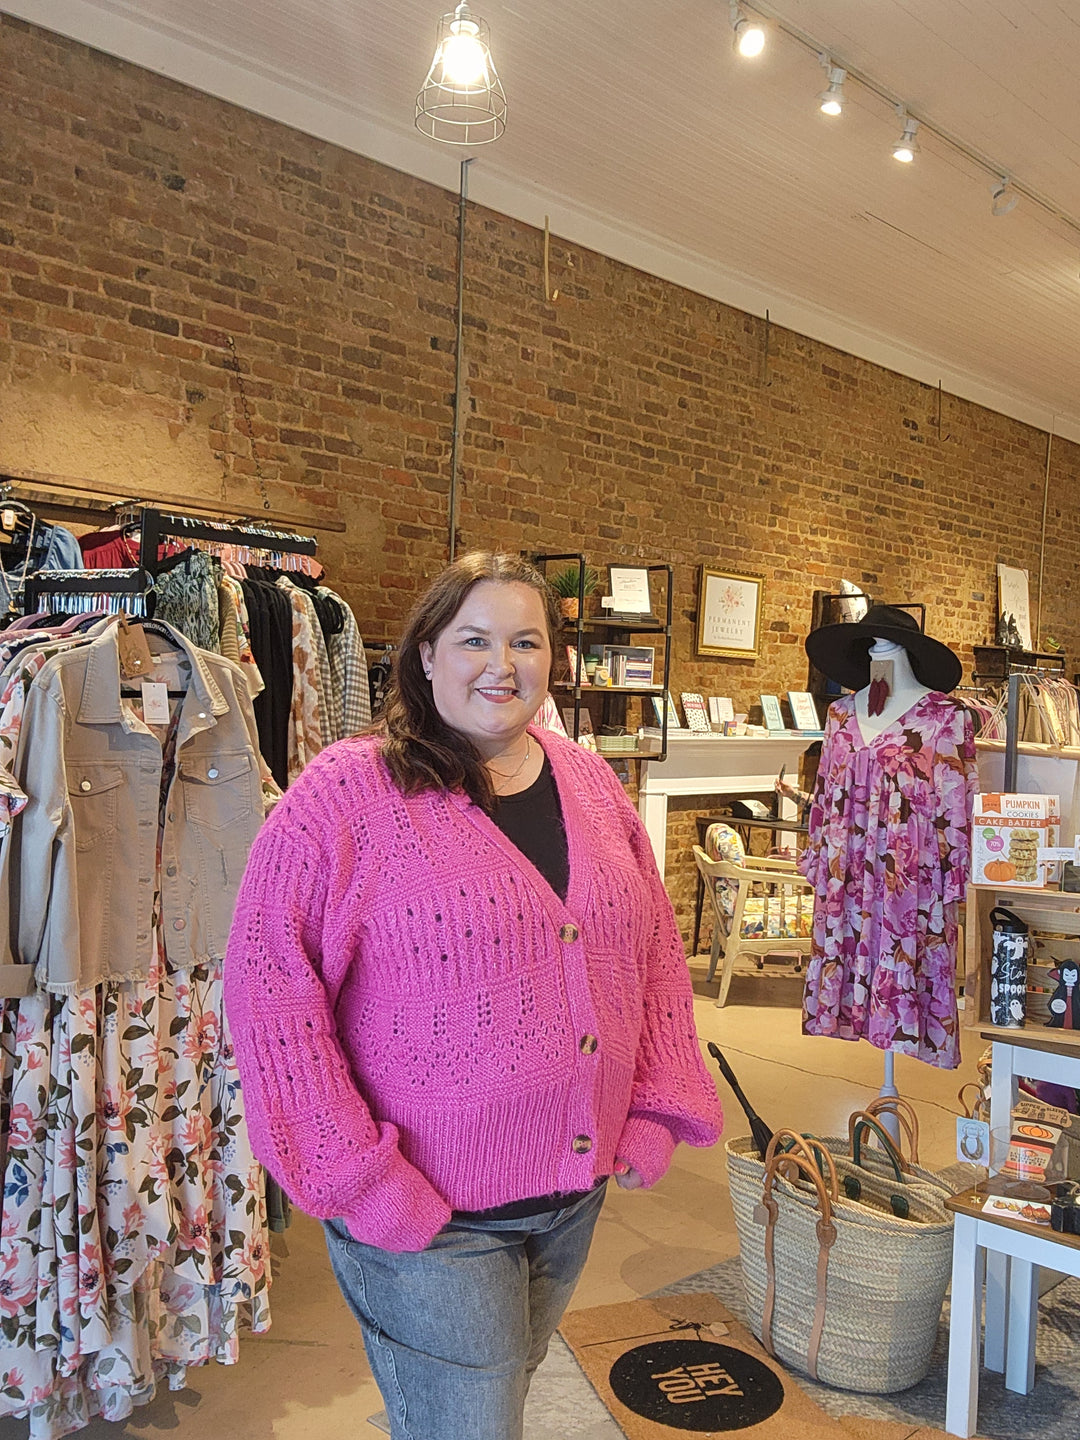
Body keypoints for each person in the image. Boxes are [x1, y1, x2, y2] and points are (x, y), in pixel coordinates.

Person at [224, 551, 722, 1440]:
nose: (504, 665)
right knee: (472, 1425)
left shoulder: (591, 782)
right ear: (425, 655)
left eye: (526, 641)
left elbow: (650, 953)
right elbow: (272, 997)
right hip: (431, 1211)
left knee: (502, 1394)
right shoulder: (343, 796)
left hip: (573, 1191)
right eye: (475, 639)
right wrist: (359, 1180)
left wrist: (652, 1106)